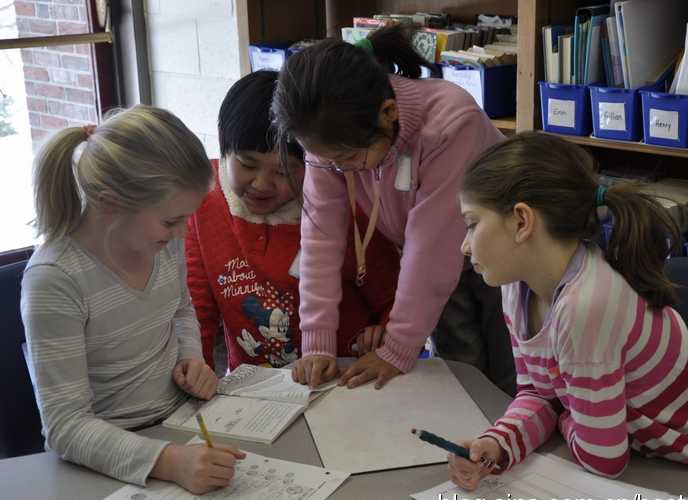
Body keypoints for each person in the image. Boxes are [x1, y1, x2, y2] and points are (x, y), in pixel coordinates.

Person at [449, 132, 688, 490]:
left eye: (472, 224)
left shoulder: (586, 306)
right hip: (663, 459)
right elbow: (538, 395)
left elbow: (603, 459)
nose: (464, 246)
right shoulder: (515, 287)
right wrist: (499, 444)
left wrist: (562, 415)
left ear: (521, 221)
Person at [272, 26, 515, 392]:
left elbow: (431, 247)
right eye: (329, 161)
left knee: (511, 374)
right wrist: (317, 343)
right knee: (459, 375)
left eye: (349, 159)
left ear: (388, 113)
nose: (341, 169)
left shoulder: (449, 122)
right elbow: (320, 240)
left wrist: (397, 348)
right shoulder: (330, 141)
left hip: (508, 255)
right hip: (440, 264)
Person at [21, 106, 245, 494]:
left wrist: (190, 358)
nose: (181, 234)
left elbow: (180, 309)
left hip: (176, 425)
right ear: (110, 203)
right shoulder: (55, 281)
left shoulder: (161, 244)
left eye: (185, 220)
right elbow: (65, 426)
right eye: (171, 221)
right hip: (106, 456)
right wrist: (168, 462)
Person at [186, 70, 399, 372]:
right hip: (257, 391)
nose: (261, 184)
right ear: (223, 144)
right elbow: (198, 311)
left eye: (284, 172)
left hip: (342, 379)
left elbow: (393, 295)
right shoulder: (205, 199)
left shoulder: (343, 206)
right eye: (247, 164)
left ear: (316, 162)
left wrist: (385, 334)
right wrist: (199, 375)